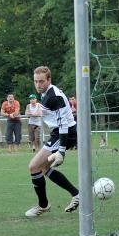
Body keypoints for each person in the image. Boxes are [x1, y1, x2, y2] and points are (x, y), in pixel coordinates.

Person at [25, 66, 79, 218]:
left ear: (49, 80)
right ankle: (76, 194)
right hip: (59, 133)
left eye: (41, 81)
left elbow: (63, 124)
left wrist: (61, 150)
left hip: (65, 134)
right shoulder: (46, 94)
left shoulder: (53, 96)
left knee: (34, 166)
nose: (38, 84)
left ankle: (43, 205)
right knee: (42, 168)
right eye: (36, 81)